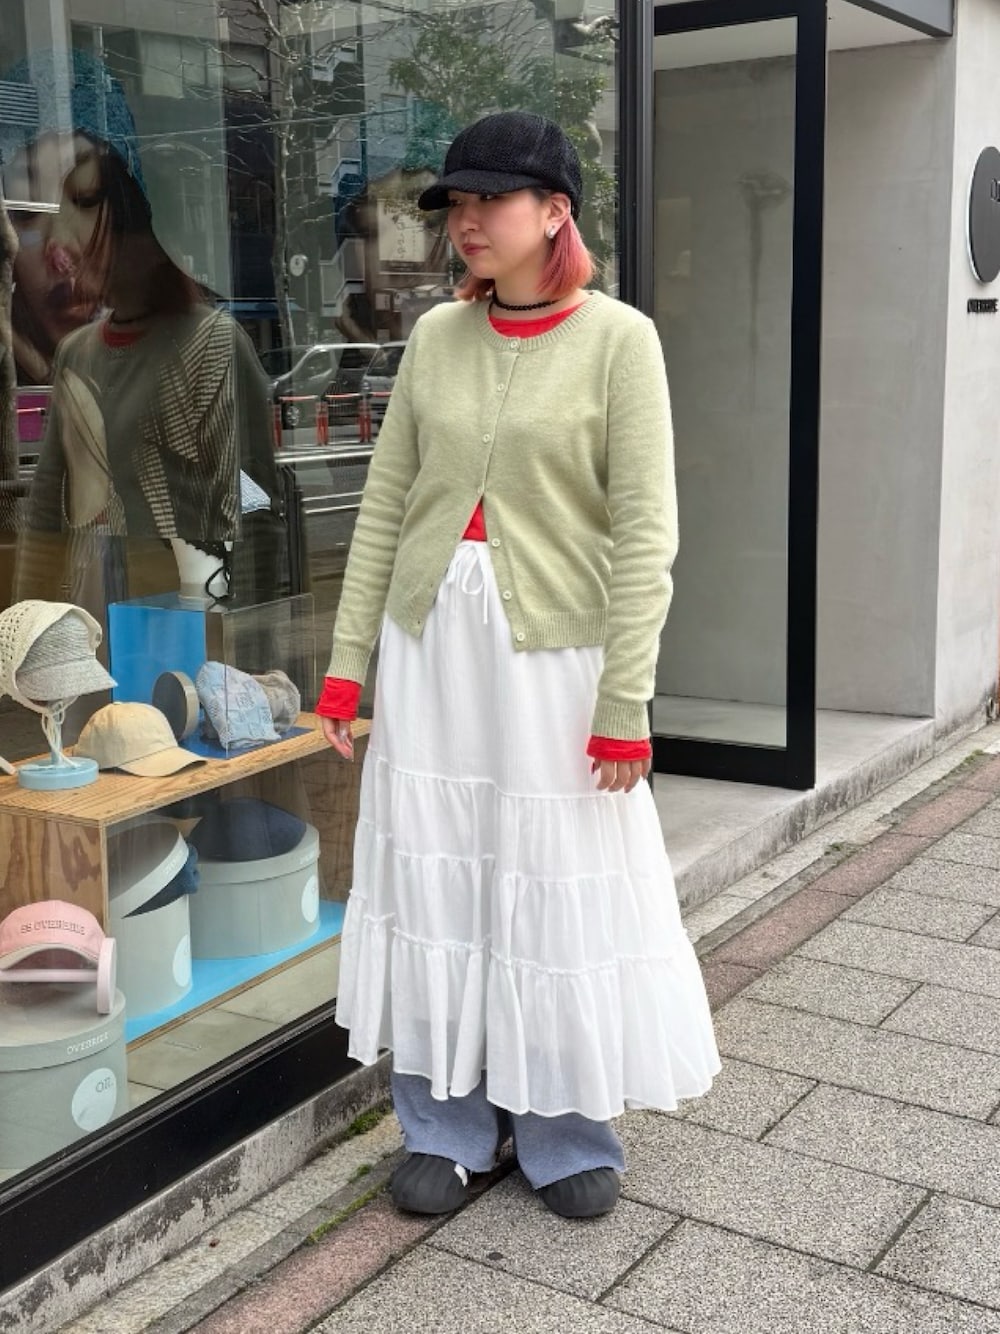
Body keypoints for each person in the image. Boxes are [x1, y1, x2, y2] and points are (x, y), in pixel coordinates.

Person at [316, 111, 720, 1220]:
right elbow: (386, 506)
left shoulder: (620, 340)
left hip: (554, 659)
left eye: (491, 199)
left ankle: (561, 1125)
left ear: (554, 213)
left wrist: (625, 700)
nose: (466, 219)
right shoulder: (435, 340)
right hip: (433, 650)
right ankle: (445, 1123)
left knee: (552, 877)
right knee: (440, 867)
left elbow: (646, 533)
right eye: (456, 201)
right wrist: (348, 663)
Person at [5, 50, 284, 618]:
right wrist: (25, 631)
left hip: (187, 614)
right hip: (92, 611)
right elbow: (47, 516)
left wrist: (251, 635)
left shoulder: (212, 344)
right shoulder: (77, 353)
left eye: (87, 201)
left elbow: (254, 507)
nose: (62, 245)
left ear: (137, 210)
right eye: (30, 214)